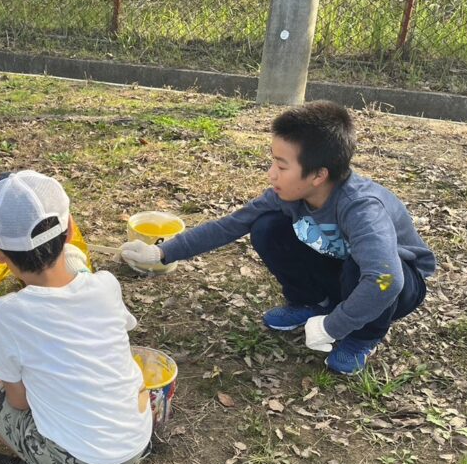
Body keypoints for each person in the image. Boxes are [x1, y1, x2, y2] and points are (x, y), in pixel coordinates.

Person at [119, 101, 435, 375]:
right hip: (343, 270)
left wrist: (332, 327)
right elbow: (229, 226)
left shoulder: (362, 209)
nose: (271, 173)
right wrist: (162, 254)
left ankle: (364, 336)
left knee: (365, 270)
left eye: (281, 166)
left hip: (395, 285)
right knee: (266, 227)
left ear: (318, 175)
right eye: (273, 161)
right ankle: (311, 303)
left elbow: (386, 280)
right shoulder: (287, 196)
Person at [0, 170, 152, 464]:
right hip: (136, 441)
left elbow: (19, 403)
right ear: (71, 228)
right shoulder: (105, 284)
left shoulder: (6, 314)